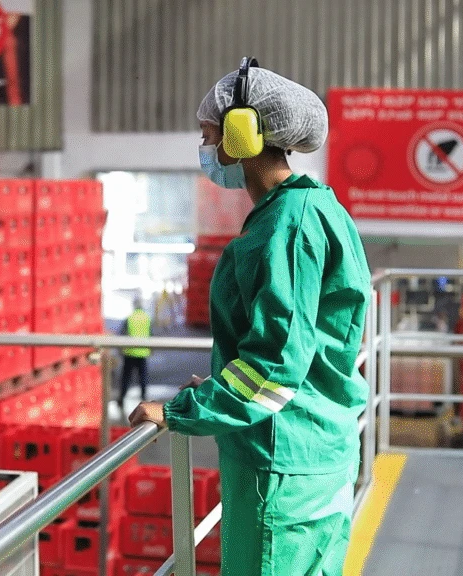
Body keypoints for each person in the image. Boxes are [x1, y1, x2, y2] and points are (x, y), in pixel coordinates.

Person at [128, 59, 371, 576]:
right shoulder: (317, 208)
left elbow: (275, 365)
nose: (205, 149)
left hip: (281, 465)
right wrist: (219, 387)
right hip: (317, 450)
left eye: (208, 135)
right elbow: (305, 344)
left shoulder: (286, 228)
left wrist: (179, 412)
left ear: (242, 134)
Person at [118, 297, 152, 408]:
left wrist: (120, 349)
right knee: (143, 377)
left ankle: (121, 398)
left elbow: (123, 333)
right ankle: (144, 398)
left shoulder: (130, 318)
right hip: (142, 352)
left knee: (126, 377)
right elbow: (151, 334)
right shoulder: (147, 318)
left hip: (129, 352)